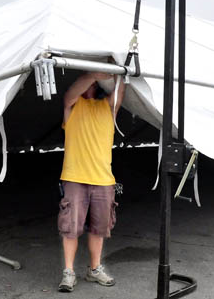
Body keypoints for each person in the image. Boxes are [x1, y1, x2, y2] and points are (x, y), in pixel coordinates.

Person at [57, 72, 125, 293]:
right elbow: (70, 94)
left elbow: (120, 89)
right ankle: (68, 273)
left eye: (93, 83)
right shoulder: (73, 107)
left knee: (99, 228)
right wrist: (94, 72)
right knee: (70, 229)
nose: (88, 85)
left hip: (103, 180)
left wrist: (118, 72)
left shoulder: (108, 108)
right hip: (74, 178)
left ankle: (94, 269)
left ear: (98, 87)